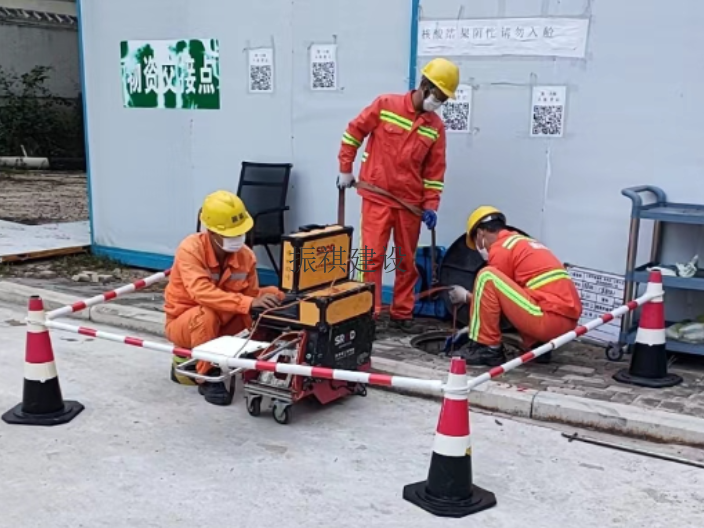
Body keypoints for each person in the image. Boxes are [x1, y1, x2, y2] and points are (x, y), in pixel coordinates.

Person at [336, 57, 460, 334]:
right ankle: (368, 313)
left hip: (410, 205)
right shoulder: (385, 105)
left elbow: (434, 171)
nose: (438, 103)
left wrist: (431, 205)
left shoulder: (435, 127)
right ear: (425, 86)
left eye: (443, 99)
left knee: (406, 261)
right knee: (371, 258)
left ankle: (402, 313)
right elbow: (354, 132)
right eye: (438, 96)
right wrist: (346, 168)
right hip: (377, 198)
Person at [164, 190, 285, 406]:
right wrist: (247, 303)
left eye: (240, 232)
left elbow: (251, 296)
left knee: (273, 295)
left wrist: (260, 307)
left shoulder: (246, 255)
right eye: (230, 234)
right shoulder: (191, 249)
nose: (238, 238)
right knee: (206, 314)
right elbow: (200, 292)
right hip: (186, 323)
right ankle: (208, 375)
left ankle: (259, 354)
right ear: (210, 232)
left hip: (224, 319)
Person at [445, 206, 582, 367]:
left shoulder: (501, 249)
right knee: (525, 290)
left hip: (546, 318)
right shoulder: (524, 243)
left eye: (476, 243)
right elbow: (511, 297)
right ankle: (539, 347)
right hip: (565, 323)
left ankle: (488, 348)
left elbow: (492, 298)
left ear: (481, 234)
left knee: (487, 275)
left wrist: (466, 297)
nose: (479, 249)